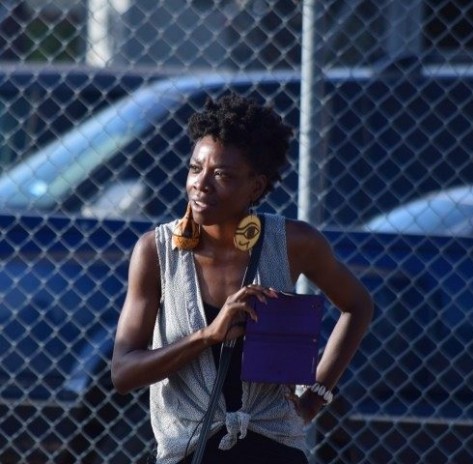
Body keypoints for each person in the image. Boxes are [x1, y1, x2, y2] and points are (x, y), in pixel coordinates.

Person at [111, 93, 374, 464]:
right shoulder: (156, 252)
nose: (201, 184)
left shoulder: (293, 243)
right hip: (190, 449)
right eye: (195, 168)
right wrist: (208, 335)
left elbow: (358, 305)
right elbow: (123, 373)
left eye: (221, 175)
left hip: (274, 447)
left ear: (256, 186)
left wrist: (315, 397)